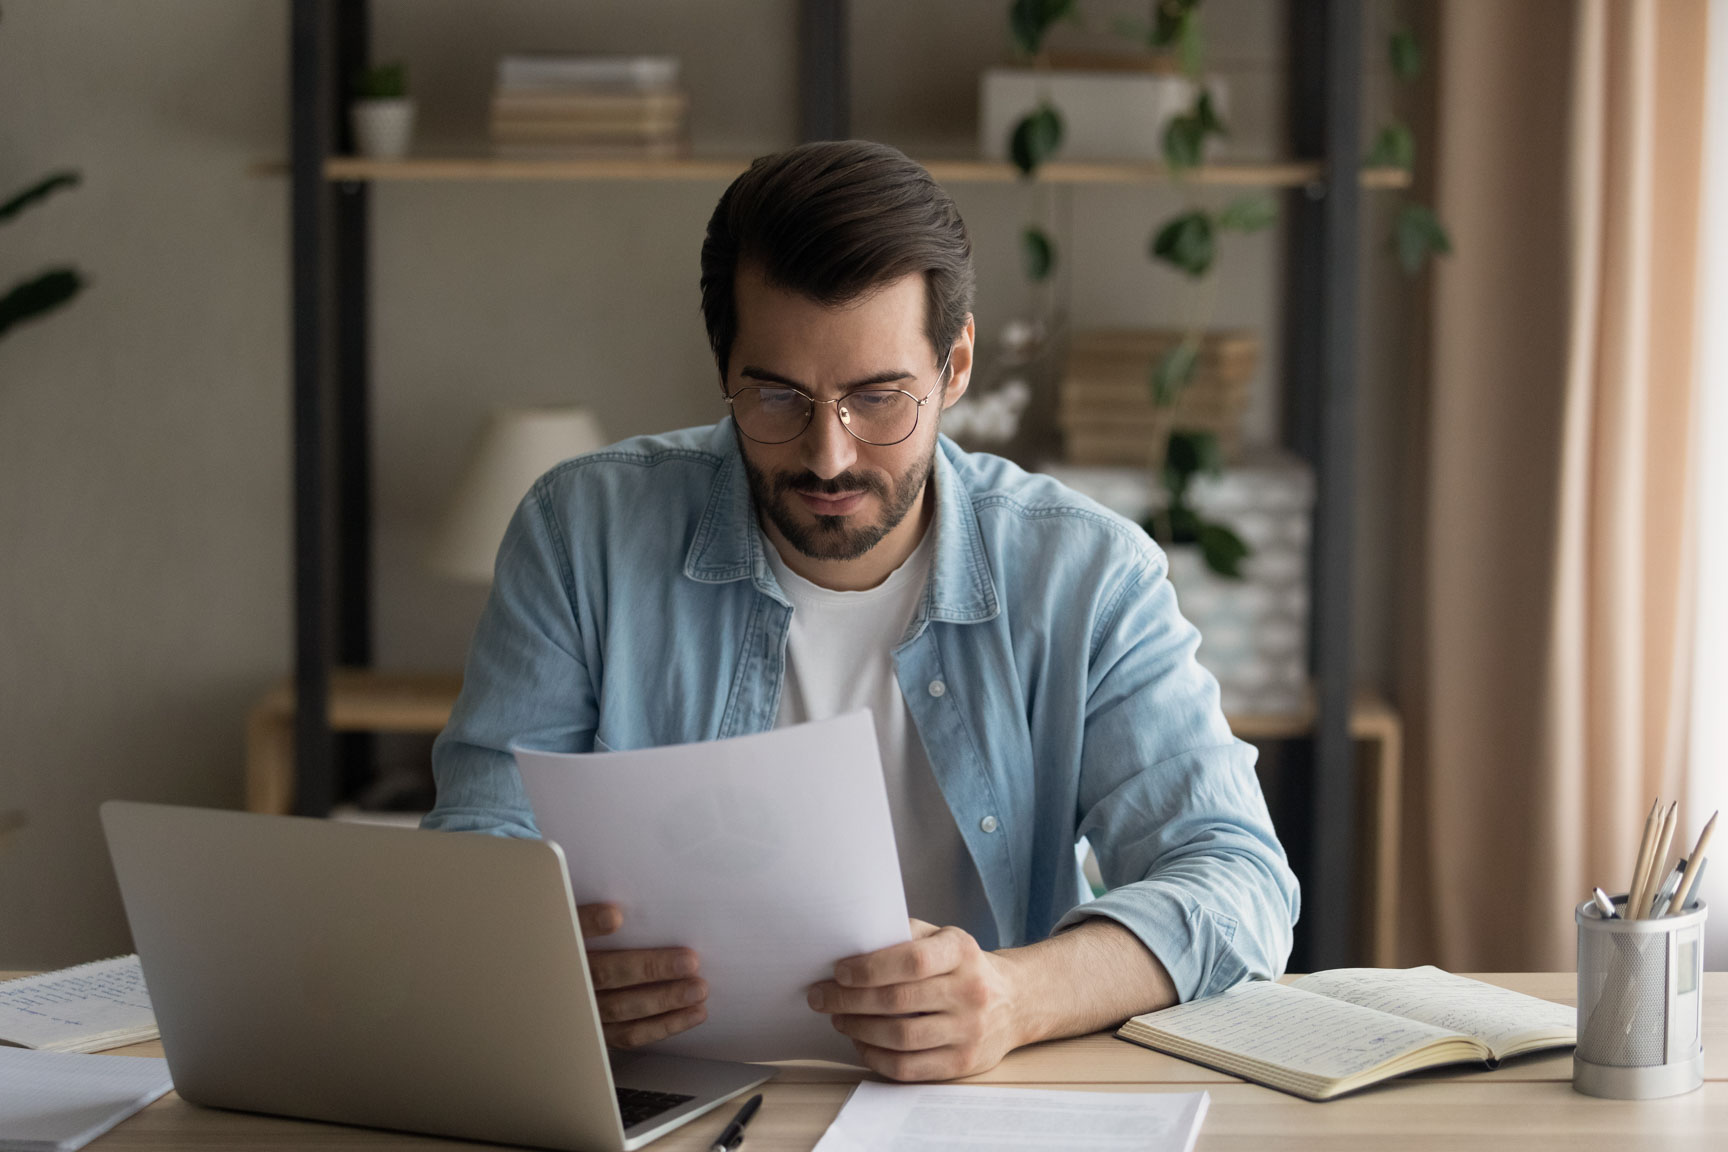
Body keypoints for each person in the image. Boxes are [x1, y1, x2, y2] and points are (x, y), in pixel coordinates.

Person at [424, 139, 1299, 1081]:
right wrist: (547, 966)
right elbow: (481, 856)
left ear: (954, 366)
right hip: (673, 1100)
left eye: (878, 398)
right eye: (778, 398)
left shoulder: (1086, 573)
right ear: (725, 367)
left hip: (987, 1102)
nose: (829, 456)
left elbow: (1237, 882)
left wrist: (1017, 996)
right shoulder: (579, 532)